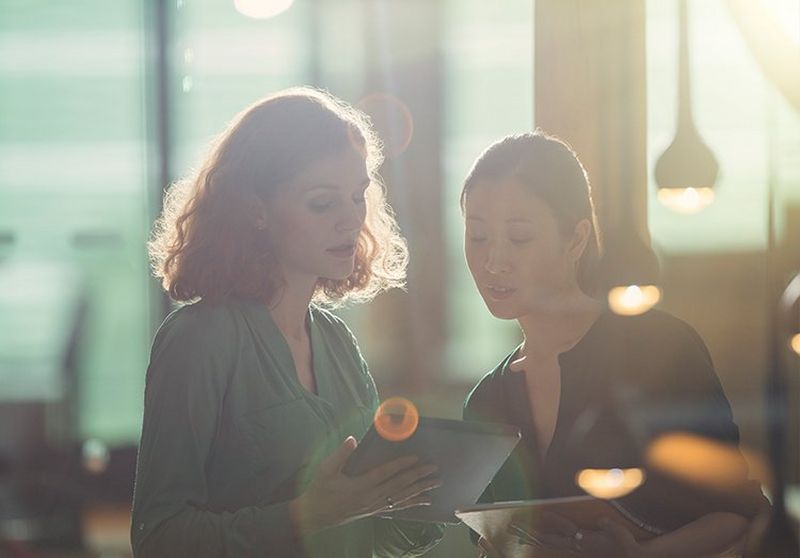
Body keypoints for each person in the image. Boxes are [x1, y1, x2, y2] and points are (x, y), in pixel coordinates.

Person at [131, 87, 444, 558]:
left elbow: (367, 533)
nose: (350, 221)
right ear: (256, 210)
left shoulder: (337, 341)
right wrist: (306, 516)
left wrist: (423, 500)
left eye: (358, 197)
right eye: (322, 204)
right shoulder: (199, 340)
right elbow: (158, 539)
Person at [460, 131, 767, 557]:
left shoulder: (661, 348)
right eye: (477, 237)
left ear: (576, 239)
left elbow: (737, 513)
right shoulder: (486, 402)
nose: (493, 261)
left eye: (519, 238)